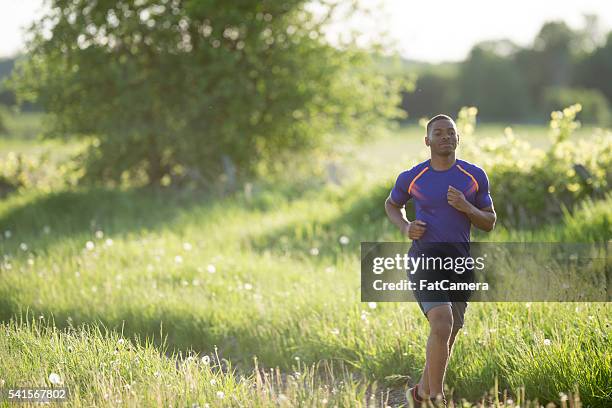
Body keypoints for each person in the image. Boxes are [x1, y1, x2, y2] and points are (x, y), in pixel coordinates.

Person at [384, 114, 496, 407]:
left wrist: (466, 206)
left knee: (449, 330)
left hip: (459, 263)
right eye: (439, 133)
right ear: (427, 140)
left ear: (458, 139)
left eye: (451, 132)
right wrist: (406, 227)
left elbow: (489, 222)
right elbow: (392, 204)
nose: (445, 137)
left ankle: (419, 394)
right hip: (425, 259)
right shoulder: (414, 177)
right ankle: (436, 398)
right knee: (442, 322)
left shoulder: (474, 176)